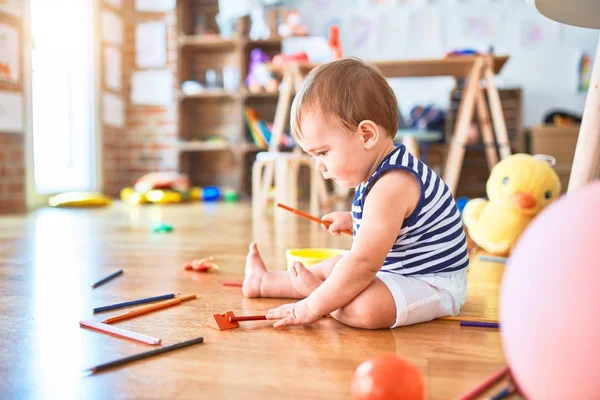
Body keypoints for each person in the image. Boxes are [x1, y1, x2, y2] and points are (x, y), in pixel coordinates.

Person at [242, 58, 468, 329]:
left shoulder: (393, 183)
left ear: (366, 135)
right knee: (335, 267)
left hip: (432, 281)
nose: (319, 166)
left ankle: (317, 296)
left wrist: (311, 307)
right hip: (399, 272)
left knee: (365, 305)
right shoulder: (377, 173)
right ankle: (263, 282)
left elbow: (364, 263)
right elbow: (393, 223)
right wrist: (351, 219)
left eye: (323, 152)